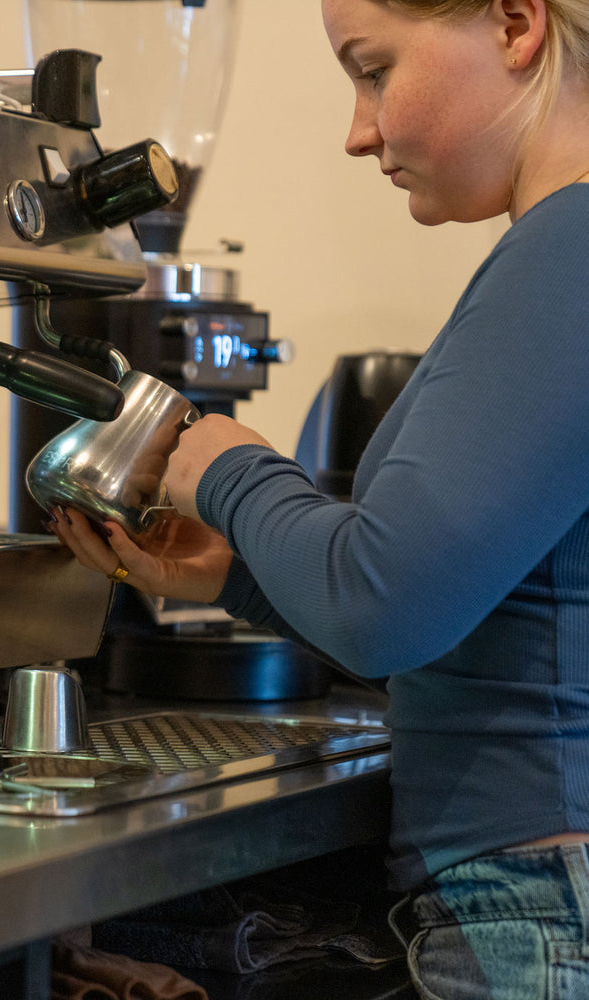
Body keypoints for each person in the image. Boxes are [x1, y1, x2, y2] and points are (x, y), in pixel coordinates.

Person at [48, 1, 589, 996]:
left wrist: (225, 463)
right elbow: (483, 615)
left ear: (517, 25)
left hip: (540, 911)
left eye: (373, 68)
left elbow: (383, 601)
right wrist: (239, 571)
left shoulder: (573, 249)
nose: (358, 129)